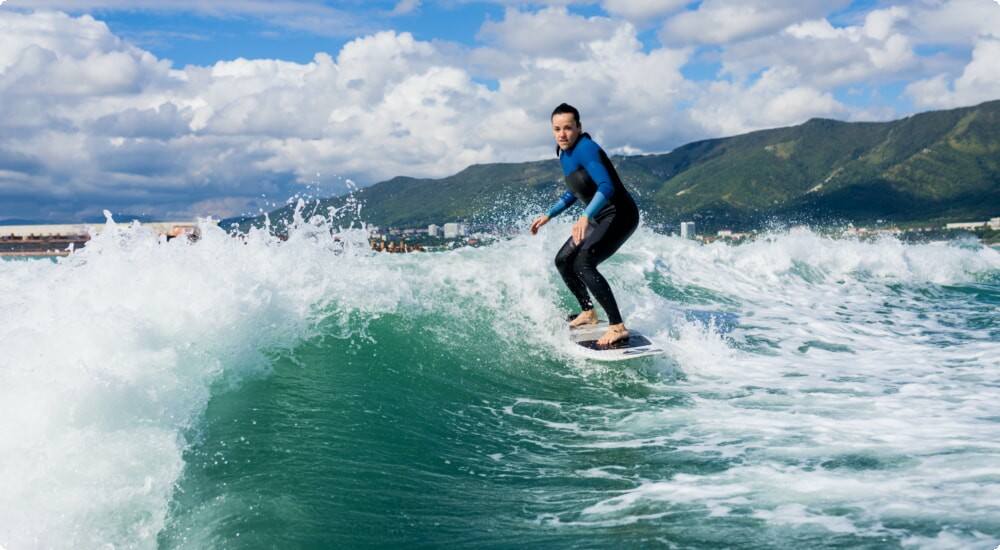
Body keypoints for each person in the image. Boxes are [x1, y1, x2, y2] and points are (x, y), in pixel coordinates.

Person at [530, 103, 640, 347]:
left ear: (579, 128)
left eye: (568, 128)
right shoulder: (564, 154)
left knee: (584, 262)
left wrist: (584, 216)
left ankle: (617, 326)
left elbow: (606, 186)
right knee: (563, 261)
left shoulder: (586, 148)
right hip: (599, 215)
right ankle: (588, 312)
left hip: (620, 214)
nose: (562, 134)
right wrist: (549, 214)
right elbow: (573, 192)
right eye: (557, 129)